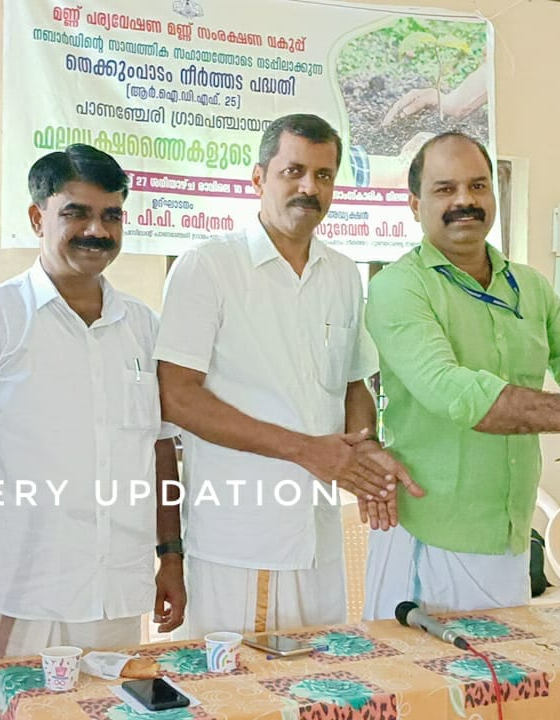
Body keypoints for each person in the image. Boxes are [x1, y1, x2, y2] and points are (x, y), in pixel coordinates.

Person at [0, 145, 185, 720]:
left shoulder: (144, 328)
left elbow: (159, 450)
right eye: (76, 213)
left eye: (111, 215)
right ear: (38, 217)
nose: (97, 231)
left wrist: (172, 558)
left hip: (116, 598)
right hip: (24, 596)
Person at [363, 132, 560, 619]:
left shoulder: (528, 286)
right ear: (415, 204)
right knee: (430, 669)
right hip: (430, 536)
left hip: (509, 538)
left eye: (478, 186)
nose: (465, 201)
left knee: (505, 670)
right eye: (445, 189)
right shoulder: (399, 287)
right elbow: (451, 391)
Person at [155, 113, 420, 638]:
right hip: (241, 540)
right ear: (258, 178)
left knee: (316, 675)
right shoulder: (208, 267)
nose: (309, 188)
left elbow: (353, 384)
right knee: (236, 682)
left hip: (318, 537)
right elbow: (177, 397)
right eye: (293, 171)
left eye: (323, 175)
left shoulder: (342, 273)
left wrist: (365, 450)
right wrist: (305, 450)